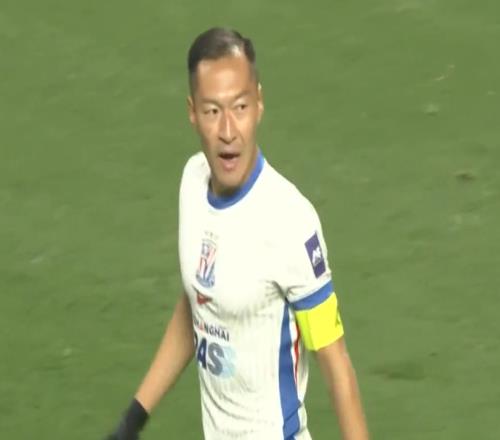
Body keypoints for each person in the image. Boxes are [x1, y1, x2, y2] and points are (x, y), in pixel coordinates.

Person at [106, 27, 369, 440]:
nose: (228, 130)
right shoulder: (192, 183)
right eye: (213, 111)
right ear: (192, 112)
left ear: (259, 104)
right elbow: (199, 301)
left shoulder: (289, 222)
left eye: (240, 107)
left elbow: (336, 367)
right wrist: (133, 418)